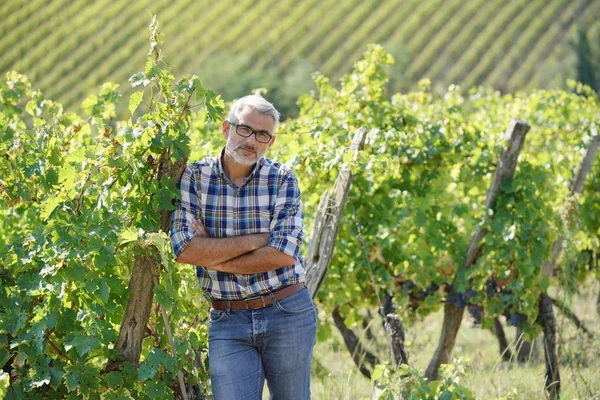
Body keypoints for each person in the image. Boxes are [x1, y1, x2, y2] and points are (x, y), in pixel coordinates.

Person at [170, 94, 317, 400]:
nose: (252, 141)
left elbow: (282, 254)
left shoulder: (282, 179)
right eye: (245, 129)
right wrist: (255, 241)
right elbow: (184, 249)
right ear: (227, 128)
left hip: (286, 312)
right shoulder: (195, 177)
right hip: (227, 319)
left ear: (271, 141)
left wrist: (211, 253)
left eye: (262, 135)